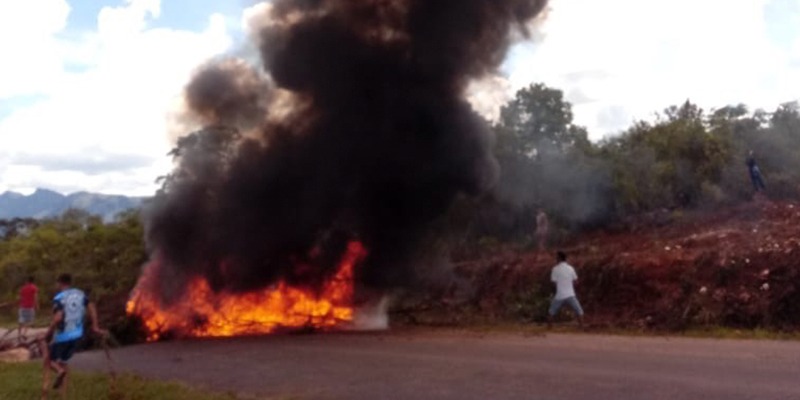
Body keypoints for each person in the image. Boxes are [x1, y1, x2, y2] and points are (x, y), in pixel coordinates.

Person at [42, 273, 106, 396]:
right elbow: (91, 307)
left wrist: (48, 333)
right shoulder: (80, 294)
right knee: (64, 362)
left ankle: (59, 372)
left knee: (49, 360)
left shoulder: (59, 298)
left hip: (63, 336)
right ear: (70, 282)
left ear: (60, 283)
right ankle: (63, 394)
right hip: (77, 335)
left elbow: (58, 318)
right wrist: (95, 326)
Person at [547, 251, 584, 328]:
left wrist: (560, 286)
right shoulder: (571, 268)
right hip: (570, 294)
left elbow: (553, 282)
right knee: (579, 311)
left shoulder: (555, 269)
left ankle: (549, 327)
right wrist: (569, 285)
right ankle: (581, 326)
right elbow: (576, 281)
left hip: (559, 295)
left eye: (556, 257)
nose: (555, 259)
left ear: (559, 258)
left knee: (551, 312)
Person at [18, 276, 39, 343]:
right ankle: (24, 333)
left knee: (21, 320)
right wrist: (37, 305)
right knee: (28, 320)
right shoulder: (34, 288)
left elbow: (21, 297)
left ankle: (19, 333)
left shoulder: (23, 288)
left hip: (22, 306)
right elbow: (35, 297)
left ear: (27, 281)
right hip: (30, 306)